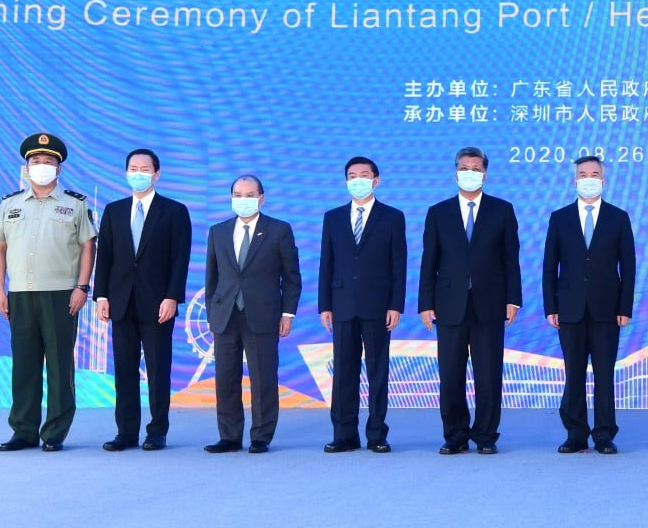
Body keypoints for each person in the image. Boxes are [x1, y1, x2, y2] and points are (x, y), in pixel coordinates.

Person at [0, 133, 97, 452]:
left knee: (60, 364)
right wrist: (0, 290)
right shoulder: (10, 204)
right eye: (36, 162)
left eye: (48, 162)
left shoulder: (74, 204)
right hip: (21, 293)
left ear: (59, 168)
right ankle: (23, 429)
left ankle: (54, 431)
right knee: (24, 364)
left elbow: (88, 246)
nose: (41, 167)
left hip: (61, 294)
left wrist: (82, 287)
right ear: (26, 167)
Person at [419, 147, 521, 455]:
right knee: (451, 373)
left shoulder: (502, 210)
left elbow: (510, 259)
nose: (470, 173)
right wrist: (426, 302)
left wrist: (513, 299)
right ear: (455, 173)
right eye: (464, 168)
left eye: (475, 168)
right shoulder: (438, 212)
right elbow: (429, 261)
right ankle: (455, 435)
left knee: (488, 373)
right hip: (448, 303)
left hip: (490, 302)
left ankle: (486, 435)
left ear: (485, 174)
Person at [95, 149, 191, 452]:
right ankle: (125, 432)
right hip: (121, 302)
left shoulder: (175, 211)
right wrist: (101, 295)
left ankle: (157, 431)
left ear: (157, 174)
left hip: (158, 303)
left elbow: (180, 259)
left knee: (158, 369)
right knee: (124, 370)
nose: (139, 173)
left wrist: (173, 296)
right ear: (126, 173)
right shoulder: (114, 210)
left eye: (145, 168)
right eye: (133, 168)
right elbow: (105, 256)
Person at [543, 156, 635, 455]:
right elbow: (549, 265)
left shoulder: (618, 217)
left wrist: (625, 307)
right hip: (569, 307)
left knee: (604, 373)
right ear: (575, 180)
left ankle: (605, 435)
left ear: (604, 180)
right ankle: (575, 434)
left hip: (607, 309)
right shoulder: (560, 218)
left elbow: (628, 266)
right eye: (583, 174)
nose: (589, 178)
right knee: (574, 373)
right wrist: (550, 306)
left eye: (595, 174)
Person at [204, 175, 302, 454]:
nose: (243, 199)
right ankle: (229, 436)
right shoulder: (218, 231)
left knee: (263, 377)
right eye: (238, 194)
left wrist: (288, 313)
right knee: (225, 378)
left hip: (263, 314)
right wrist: (212, 312)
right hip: (225, 315)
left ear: (261, 198)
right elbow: (212, 278)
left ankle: (261, 435)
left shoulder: (279, 230)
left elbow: (291, 277)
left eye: (249, 195)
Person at [319, 157, 406, 454]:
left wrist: (396, 305)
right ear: (346, 181)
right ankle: (344, 434)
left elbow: (399, 265)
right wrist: (324, 305)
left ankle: (377, 434)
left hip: (378, 305)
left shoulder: (393, 217)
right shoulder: (332, 218)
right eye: (352, 175)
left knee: (377, 371)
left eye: (364, 175)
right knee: (344, 371)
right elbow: (326, 264)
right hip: (342, 304)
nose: (358, 179)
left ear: (376, 180)